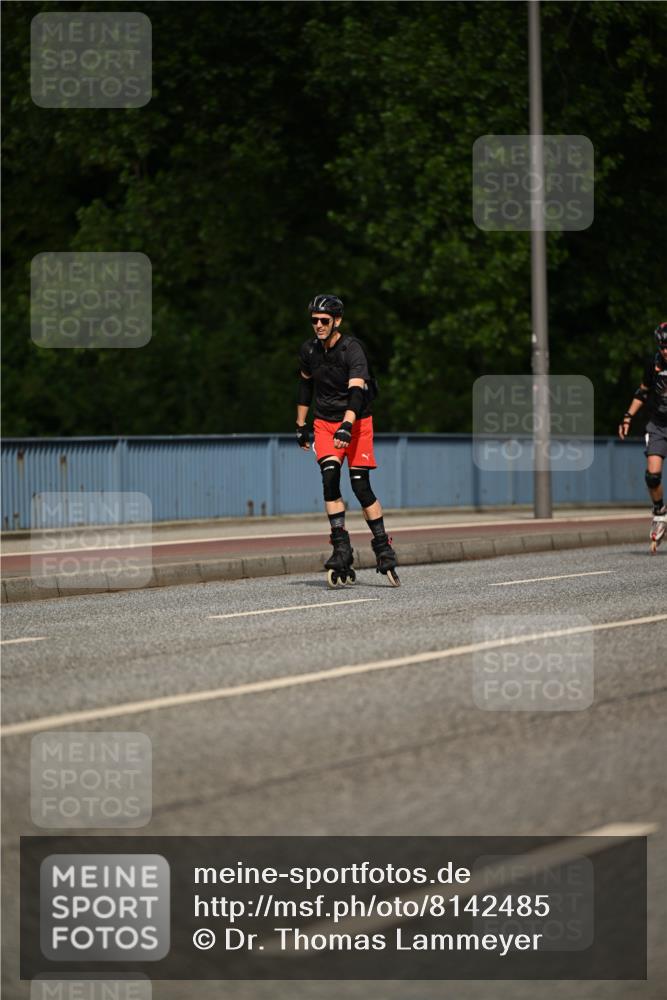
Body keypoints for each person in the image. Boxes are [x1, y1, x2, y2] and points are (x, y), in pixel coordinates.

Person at [296, 294, 399, 586]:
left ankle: (383, 546)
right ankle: (342, 548)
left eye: (324, 320)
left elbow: (356, 393)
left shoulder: (352, 349)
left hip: (357, 422)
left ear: (337, 321)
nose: (318, 325)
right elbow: (305, 386)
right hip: (325, 423)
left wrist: (346, 426)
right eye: (314, 320)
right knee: (329, 479)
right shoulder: (309, 350)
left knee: (360, 486)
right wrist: (300, 425)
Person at [618, 321, 667, 552]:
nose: (666, 351)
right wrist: (627, 417)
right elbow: (642, 392)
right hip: (658, 425)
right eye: (663, 347)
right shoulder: (653, 364)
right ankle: (659, 513)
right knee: (652, 476)